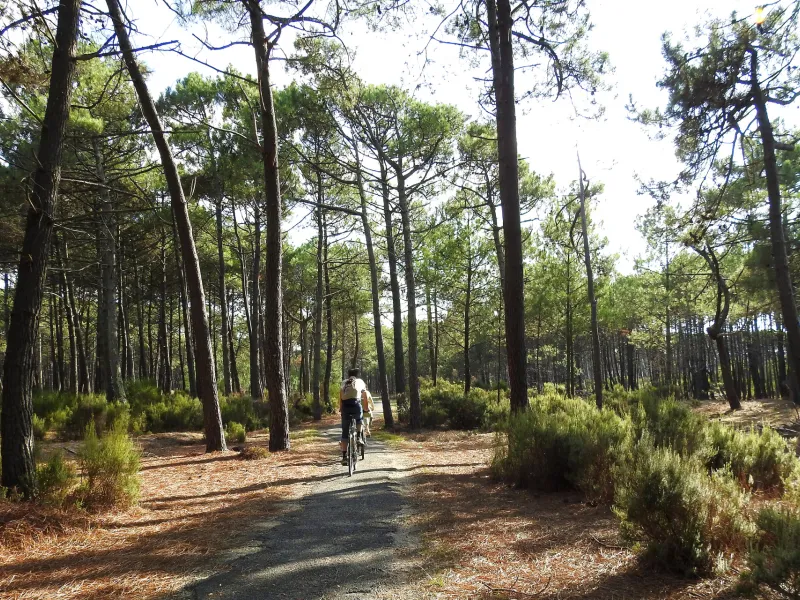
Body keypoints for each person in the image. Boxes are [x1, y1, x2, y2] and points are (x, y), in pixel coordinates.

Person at [339, 368, 368, 465]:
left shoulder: (344, 382)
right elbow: (365, 396)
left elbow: (341, 397)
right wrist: (366, 408)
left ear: (348, 375)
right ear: (357, 375)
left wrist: (341, 408)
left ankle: (344, 457)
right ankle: (359, 437)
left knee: (345, 432)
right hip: (355, 405)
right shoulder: (360, 381)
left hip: (345, 407)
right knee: (359, 419)